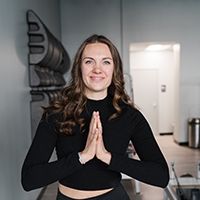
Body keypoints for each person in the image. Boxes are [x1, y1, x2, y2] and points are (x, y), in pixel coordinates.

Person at [21, 34, 169, 200]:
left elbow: (161, 176)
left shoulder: (129, 116)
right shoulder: (57, 114)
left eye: (106, 61)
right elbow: (29, 179)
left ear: (115, 69)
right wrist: (81, 157)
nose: (97, 69)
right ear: (79, 68)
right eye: (89, 61)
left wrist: (108, 157)